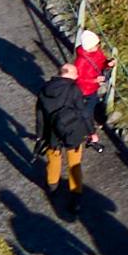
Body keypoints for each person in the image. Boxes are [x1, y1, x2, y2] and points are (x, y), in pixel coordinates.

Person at [35, 58, 98, 209]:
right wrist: (92, 132)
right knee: (74, 164)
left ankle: (52, 186)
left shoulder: (45, 89)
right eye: (76, 73)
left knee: (54, 159)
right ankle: (75, 196)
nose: (77, 76)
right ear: (69, 74)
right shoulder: (73, 90)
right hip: (72, 132)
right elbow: (83, 114)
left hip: (51, 132)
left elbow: (39, 114)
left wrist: (40, 134)